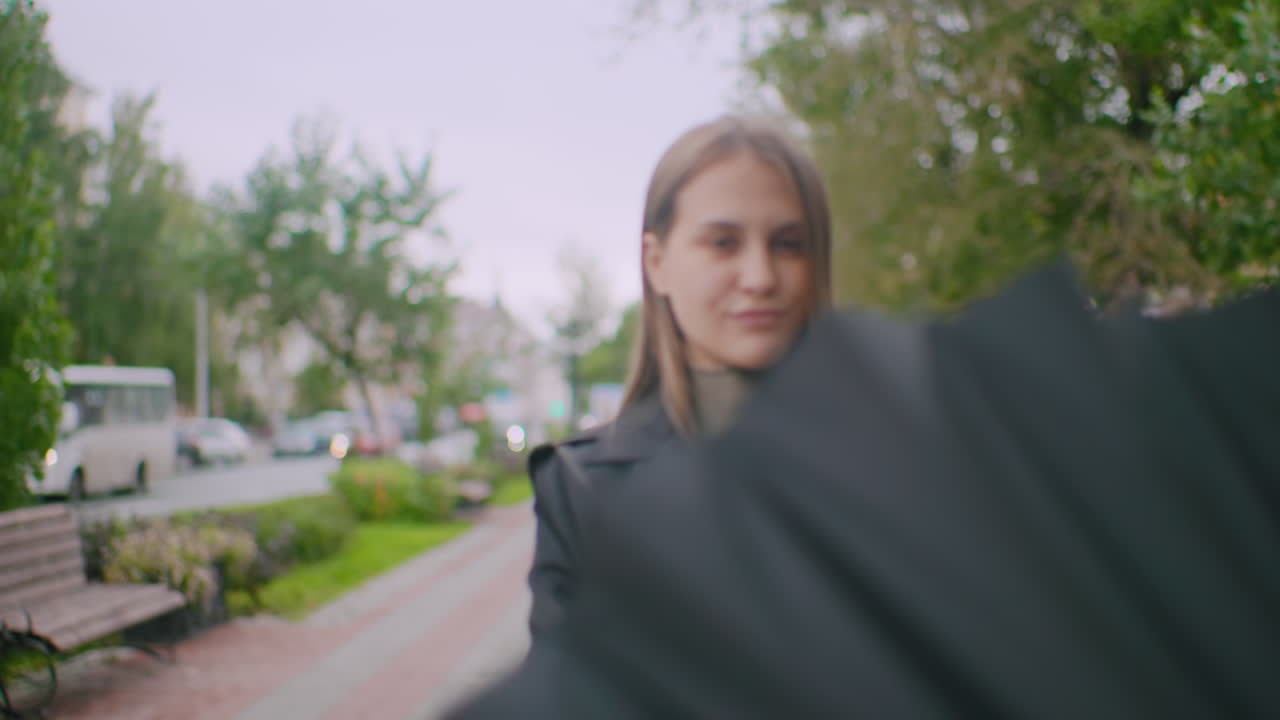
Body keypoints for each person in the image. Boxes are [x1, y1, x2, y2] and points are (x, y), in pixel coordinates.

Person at [526, 114, 835, 636]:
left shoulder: (903, 458)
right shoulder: (583, 487)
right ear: (657, 262)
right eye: (723, 243)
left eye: (788, 243)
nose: (760, 277)